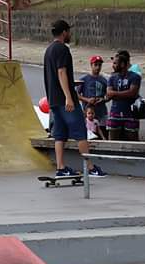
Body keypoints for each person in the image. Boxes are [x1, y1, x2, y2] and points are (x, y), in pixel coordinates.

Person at [43, 19, 106, 178]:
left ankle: (60, 167)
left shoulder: (49, 50)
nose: (70, 34)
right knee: (80, 132)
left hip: (54, 100)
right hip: (65, 100)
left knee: (60, 134)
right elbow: (61, 72)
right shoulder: (62, 49)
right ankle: (90, 167)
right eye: (69, 31)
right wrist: (69, 98)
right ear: (64, 32)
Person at [106, 51, 142, 141]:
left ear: (122, 64)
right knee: (112, 141)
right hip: (115, 113)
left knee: (133, 141)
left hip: (131, 114)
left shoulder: (135, 77)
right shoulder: (112, 77)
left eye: (115, 63)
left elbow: (132, 93)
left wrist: (115, 94)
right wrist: (125, 94)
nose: (112, 65)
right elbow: (109, 93)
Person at [78, 55, 109, 138]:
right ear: (91, 65)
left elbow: (108, 95)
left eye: (100, 65)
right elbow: (76, 94)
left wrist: (103, 99)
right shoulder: (84, 79)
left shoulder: (104, 80)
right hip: (88, 113)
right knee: (88, 135)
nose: (98, 67)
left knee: (102, 133)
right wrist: (87, 99)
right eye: (95, 65)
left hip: (101, 112)